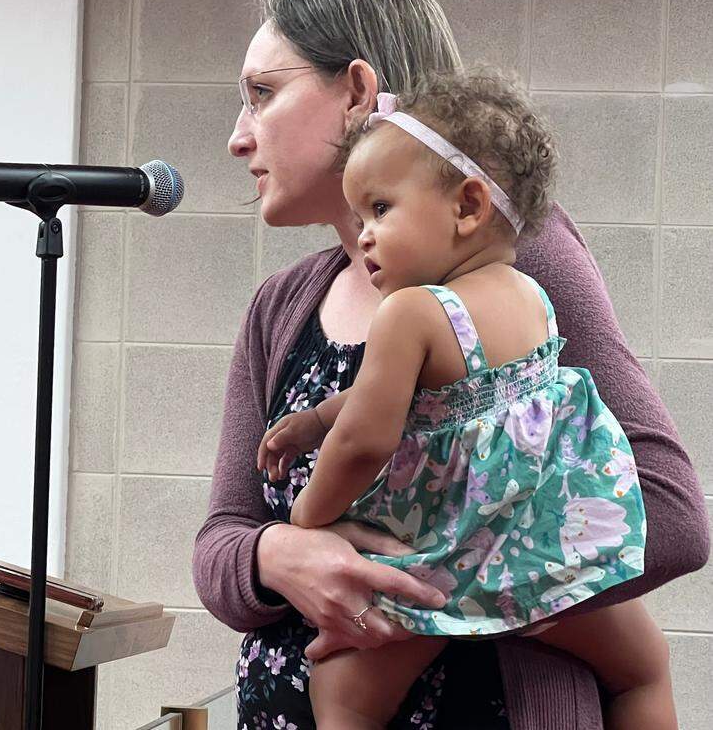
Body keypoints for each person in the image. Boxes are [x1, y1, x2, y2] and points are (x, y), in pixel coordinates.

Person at [192, 0, 709, 730]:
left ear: (357, 91)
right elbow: (221, 542)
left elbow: (669, 512)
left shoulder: (511, 258)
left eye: (262, 93)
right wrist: (277, 554)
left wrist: (444, 587)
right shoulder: (280, 307)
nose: (239, 136)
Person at [256, 70, 673, 730]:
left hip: (446, 566)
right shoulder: (532, 298)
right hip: (547, 559)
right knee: (644, 669)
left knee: (343, 695)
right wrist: (314, 420)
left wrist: (307, 518)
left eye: (380, 209)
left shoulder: (411, 313)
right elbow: (442, 398)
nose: (363, 235)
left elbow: (366, 438)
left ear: (469, 205)